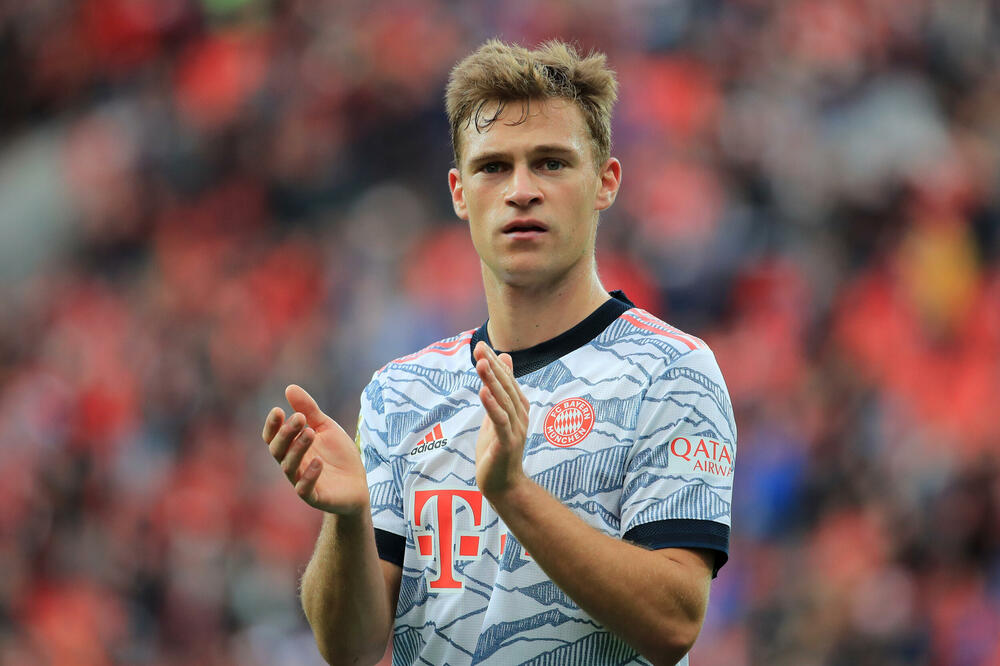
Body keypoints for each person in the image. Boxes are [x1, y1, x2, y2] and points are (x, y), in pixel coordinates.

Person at [262, 39, 736, 666]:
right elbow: (349, 649)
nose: (521, 190)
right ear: (460, 192)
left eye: (551, 163)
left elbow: (674, 623)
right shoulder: (400, 392)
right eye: (493, 167)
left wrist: (513, 493)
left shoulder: (672, 371)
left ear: (605, 182)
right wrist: (348, 520)